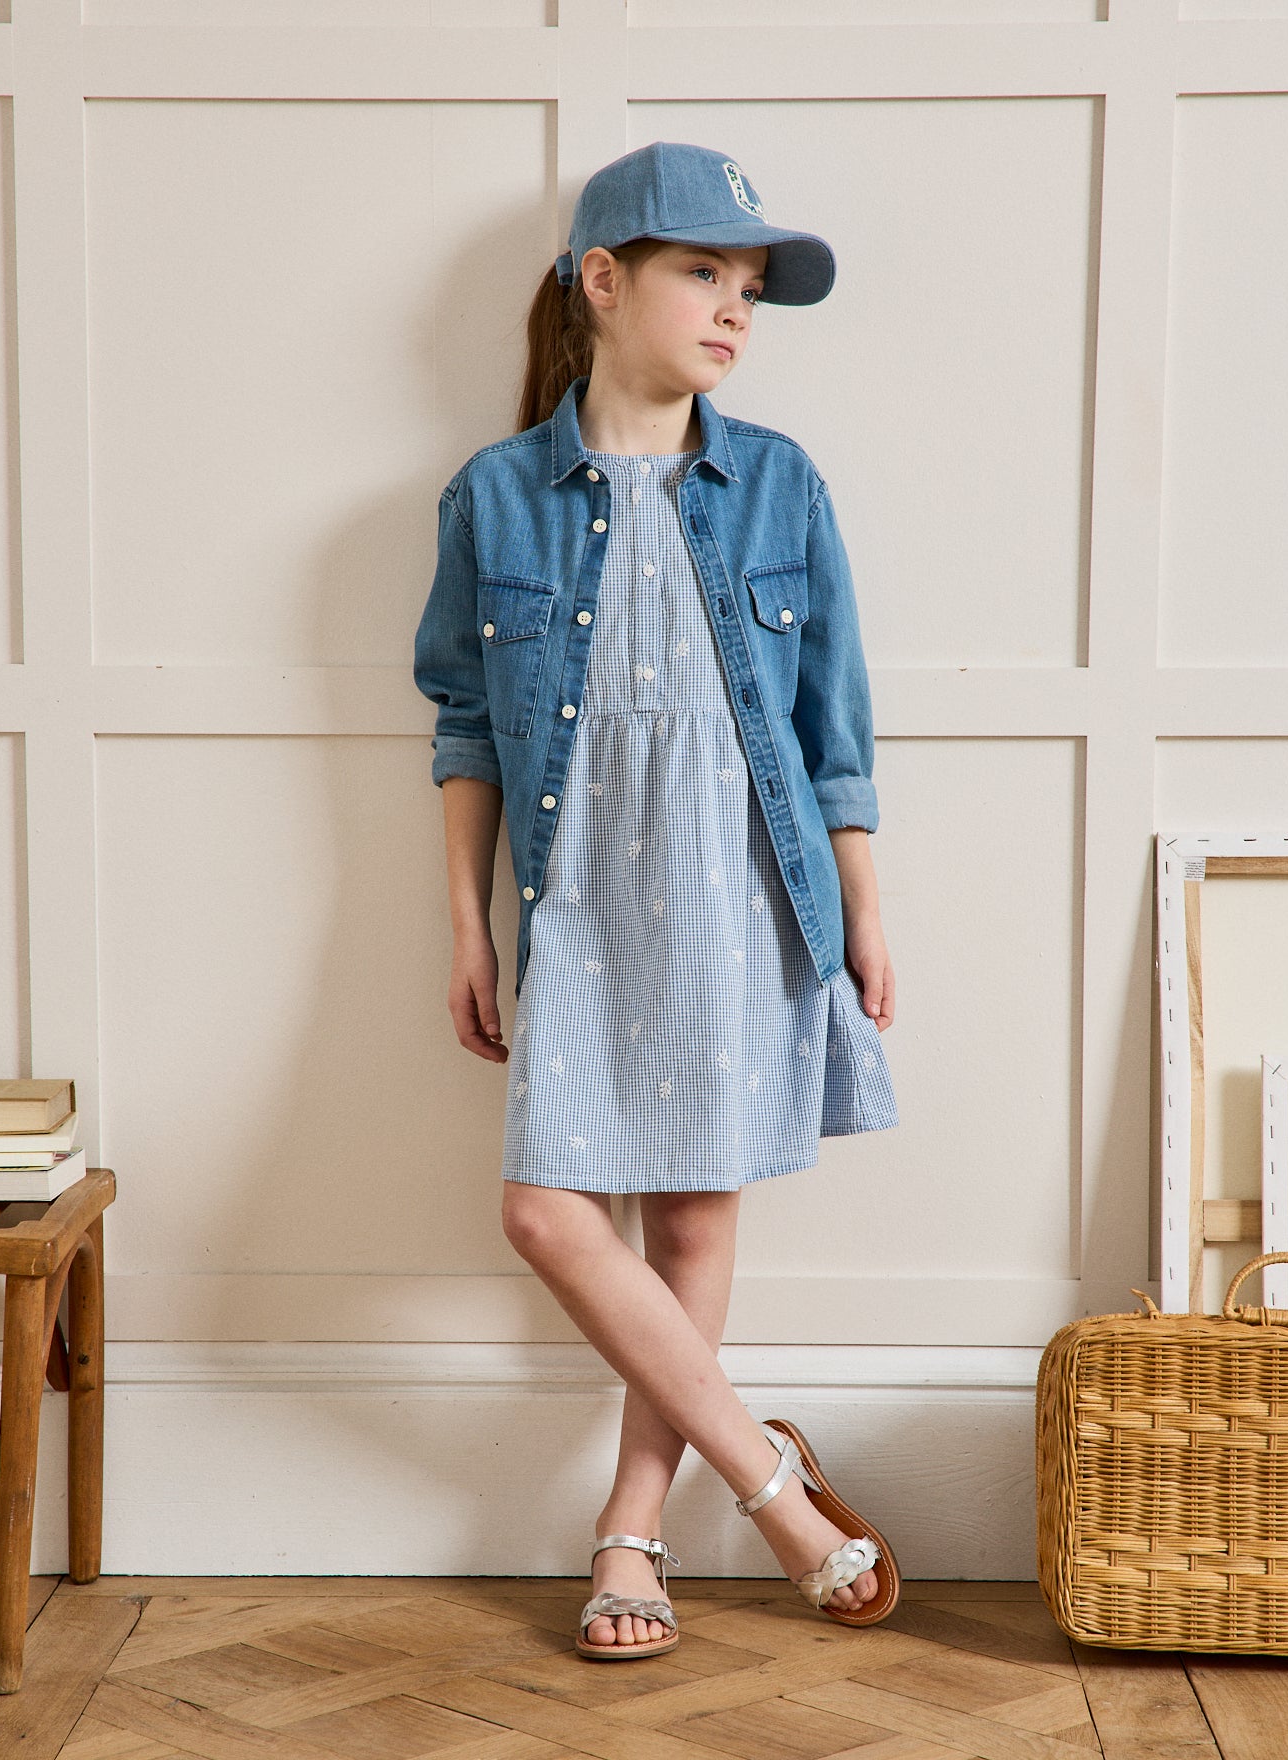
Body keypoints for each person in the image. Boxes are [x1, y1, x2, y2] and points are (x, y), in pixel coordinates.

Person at [413, 141, 901, 1661]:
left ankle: (632, 1531)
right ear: (603, 280)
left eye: (752, 286)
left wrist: (863, 910)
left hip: (741, 890)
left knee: (691, 1214)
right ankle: (772, 1482)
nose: (737, 309)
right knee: (544, 1210)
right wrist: (469, 925)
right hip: (579, 892)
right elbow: (467, 725)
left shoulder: (781, 485)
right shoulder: (495, 497)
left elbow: (832, 730)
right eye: (705, 272)